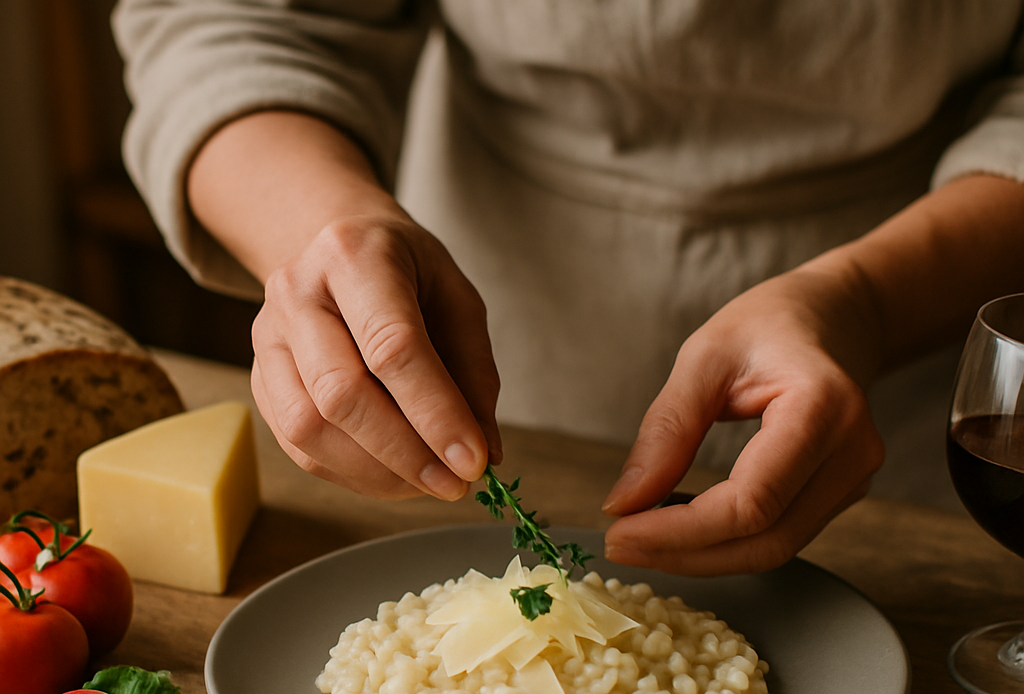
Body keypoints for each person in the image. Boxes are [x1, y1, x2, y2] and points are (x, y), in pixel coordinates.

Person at [112, 1, 1024, 576]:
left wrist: (860, 305)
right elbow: (232, 20)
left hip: (924, 416)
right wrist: (321, 231)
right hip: (505, 349)